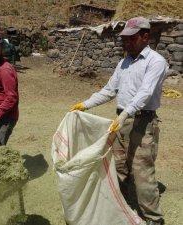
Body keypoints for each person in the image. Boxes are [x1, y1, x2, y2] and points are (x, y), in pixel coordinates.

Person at [70, 17, 168, 225]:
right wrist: (85, 104)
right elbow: (108, 90)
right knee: (118, 169)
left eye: (131, 38)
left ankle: (154, 219)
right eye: (125, 39)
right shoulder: (124, 63)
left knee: (142, 174)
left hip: (142, 123)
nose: (127, 43)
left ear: (145, 36)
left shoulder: (156, 62)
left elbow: (145, 93)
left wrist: (125, 115)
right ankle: (119, 208)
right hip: (121, 122)